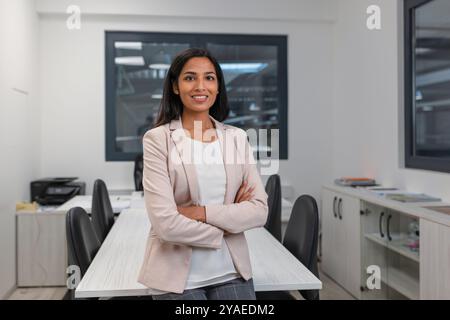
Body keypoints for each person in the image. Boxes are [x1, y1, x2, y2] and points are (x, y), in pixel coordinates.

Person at [137, 48, 268, 300]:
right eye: (189, 78)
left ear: (218, 86)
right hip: (175, 275)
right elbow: (165, 225)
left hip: (231, 269)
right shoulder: (157, 139)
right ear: (175, 86)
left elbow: (259, 210)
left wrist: (200, 213)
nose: (200, 86)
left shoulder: (237, 138)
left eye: (209, 78)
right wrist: (227, 227)